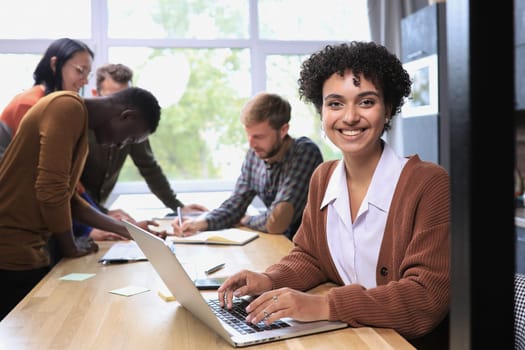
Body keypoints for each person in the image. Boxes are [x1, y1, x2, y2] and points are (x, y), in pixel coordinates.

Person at [217, 41, 450, 350]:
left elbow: (425, 298)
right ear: (322, 110)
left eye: (366, 102)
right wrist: (269, 280)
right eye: (335, 103)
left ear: (389, 108)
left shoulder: (428, 183)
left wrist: (323, 306)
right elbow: (311, 257)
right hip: (354, 337)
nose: (349, 117)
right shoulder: (323, 176)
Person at [0, 86, 162, 320]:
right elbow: (51, 191)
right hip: (11, 250)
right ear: (127, 116)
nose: (121, 146)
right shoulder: (67, 107)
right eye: (128, 138)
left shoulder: (81, 132)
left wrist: (131, 230)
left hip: (29, 249)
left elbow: (69, 199)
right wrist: (70, 246)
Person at [172, 92, 324, 240]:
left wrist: (246, 219)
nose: (251, 144)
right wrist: (199, 223)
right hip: (282, 244)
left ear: (283, 130)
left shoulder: (304, 152)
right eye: (249, 135)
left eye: (259, 136)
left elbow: (277, 222)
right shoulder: (256, 154)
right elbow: (235, 206)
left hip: (313, 247)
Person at [80, 63, 207, 220]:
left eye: (125, 98)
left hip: (92, 215)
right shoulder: (77, 125)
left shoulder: (131, 127)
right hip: (76, 214)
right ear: (95, 94)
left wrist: (178, 207)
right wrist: (103, 214)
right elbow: (66, 188)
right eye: (114, 99)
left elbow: (150, 169)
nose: (123, 111)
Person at [0, 38, 94, 159]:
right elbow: (36, 165)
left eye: (88, 74)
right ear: (55, 64)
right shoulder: (29, 104)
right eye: (80, 70)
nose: (85, 81)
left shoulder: (54, 104)